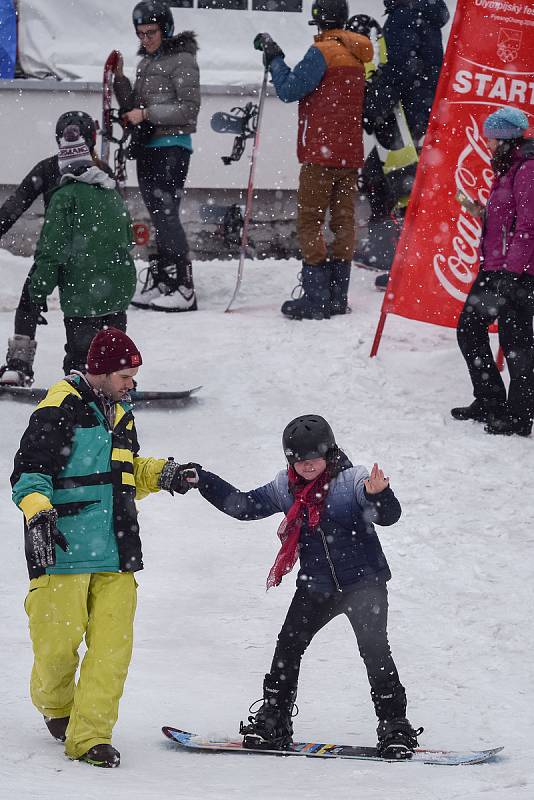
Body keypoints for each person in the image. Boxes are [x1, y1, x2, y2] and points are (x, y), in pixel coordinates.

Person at [180, 414, 422, 758]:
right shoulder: (285, 487)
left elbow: (388, 516)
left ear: (331, 452)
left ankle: (395, 727)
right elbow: (243, 506)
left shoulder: (354, 480)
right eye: (298, 460)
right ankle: (274, 720)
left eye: (314, 458)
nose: (307, 466)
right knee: (288, 647)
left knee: (375, 652)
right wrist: (204, 480)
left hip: (364, 584)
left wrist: (379, 495)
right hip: (317, 587)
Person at [11, 328, 196, 768]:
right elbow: (28, 473)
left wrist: (163, 475)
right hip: (63, 548)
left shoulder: (122, 412)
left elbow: (124, 472)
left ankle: (91, 735)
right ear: (99, 372)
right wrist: (38, 510)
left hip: (118, 549)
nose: (132, 383)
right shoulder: (60, 407)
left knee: (112, 650)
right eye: (126, 375)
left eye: (133, 375)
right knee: (56, 646)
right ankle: (56, 706)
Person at [255, 0, 373, 319]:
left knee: (311, 220)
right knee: (343, 221)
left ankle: (316, 297)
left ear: (318, 23)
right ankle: (337, 296)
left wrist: (275, 59)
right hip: (349, 154)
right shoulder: (357, 55)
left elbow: (290, 89)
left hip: (320, 153)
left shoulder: (322, 52)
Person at [0, 111, 105, 387]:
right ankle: (20, 365)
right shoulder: (50, 169)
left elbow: (16, 203)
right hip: (58, 251)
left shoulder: (98, 172)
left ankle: (83, 365)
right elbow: (15, 204)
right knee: (33, 299)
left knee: (77, 311)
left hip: (81, 255)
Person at [26, 124, 137, 375]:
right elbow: (128, 239)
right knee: (115, 356)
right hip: (118, 290)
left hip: (82, 294)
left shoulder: (64, 196)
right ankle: (118, 391)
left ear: (65, 167)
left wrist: (39, 290)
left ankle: (83, 401)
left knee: (83, 361)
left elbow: (52, 250)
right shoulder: (112, 193)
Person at [451, 107, 534, 437]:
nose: (486, 144)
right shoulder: (509, 167)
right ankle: (490, 399)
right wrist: (479, 211)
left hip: (517, 271)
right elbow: (507, 219)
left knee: (517, 342)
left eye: (490, 138)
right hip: (496, 268)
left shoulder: (527, 168)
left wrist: (513, 273)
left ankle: (518, 415)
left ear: (505, 139)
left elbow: (528, 225)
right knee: (470, 329)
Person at [113, 0, 200, 312]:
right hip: (148, 147)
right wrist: (120, 80)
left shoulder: (183, 60)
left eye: (151, 32)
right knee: (159, 216)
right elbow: (134, 107)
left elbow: (189, 109)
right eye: (140, 34)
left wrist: (147, 112)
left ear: (167, 29)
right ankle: (164, 280)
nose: (145, 39)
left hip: (173, 147)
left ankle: (184, 287)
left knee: (166, 214)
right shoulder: (146, 63)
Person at [361, 0, 449, 289]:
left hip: (405, 113)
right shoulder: (428, 15)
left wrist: (375, 103)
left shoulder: (404, 15)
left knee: (399, 186)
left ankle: (408, 266)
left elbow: (399, 68)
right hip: (425, 109)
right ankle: (412, 260)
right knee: (405, 183)